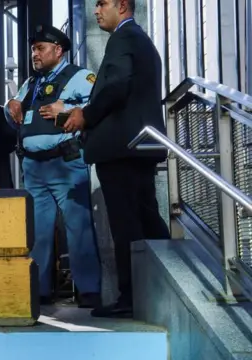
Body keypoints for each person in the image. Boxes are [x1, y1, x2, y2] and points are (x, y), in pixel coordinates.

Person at [63, 0, 170, 318]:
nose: (96, 11)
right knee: (147, 221)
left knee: (127, 226)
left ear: (122, 6)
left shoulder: (124, 38)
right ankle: (154, 288)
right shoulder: (140, 40)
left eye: (102, 3)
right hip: (138, 147)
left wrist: (86, 114)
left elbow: (116, 85)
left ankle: (129, 296)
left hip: (121, 148)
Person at [4, 25, 102, 308]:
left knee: (78, 227)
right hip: (33, 167)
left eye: (41, 48)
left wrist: (70, 111)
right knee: (38, 231)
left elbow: (97, 106)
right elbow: (14, 115)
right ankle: (40, 290)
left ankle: (89, 290)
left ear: (58, 50)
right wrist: (11, 106)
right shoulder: (31, 84)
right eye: (33, 49)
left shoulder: (80, 77)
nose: (35, 54)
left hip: (66, 161)